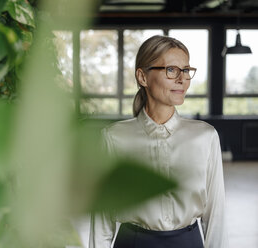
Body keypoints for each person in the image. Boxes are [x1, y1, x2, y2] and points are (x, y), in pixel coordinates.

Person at [89, 35, 228, 248]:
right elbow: (101, 221)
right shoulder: (113, 138)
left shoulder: (205, 137)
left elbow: (216, 216)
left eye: (186, 70)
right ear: (143, 77)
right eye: (171, 70)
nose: (182, 79)